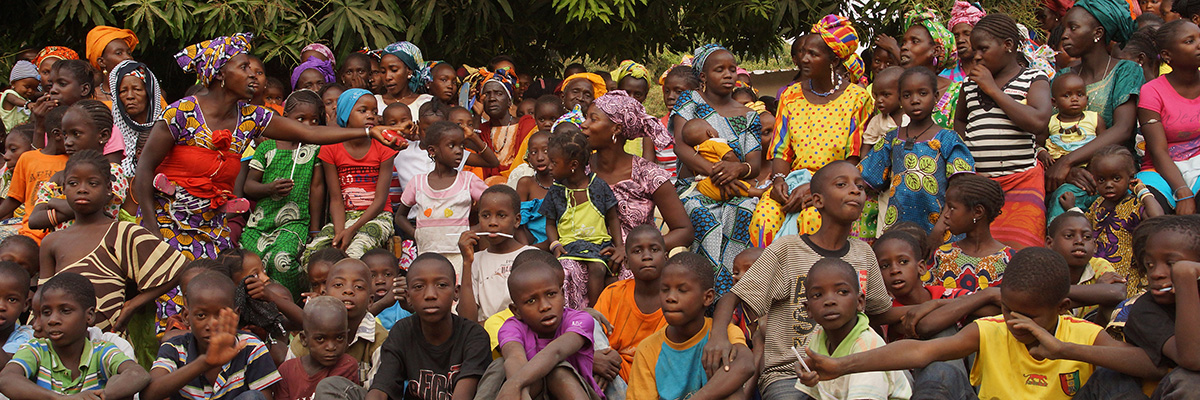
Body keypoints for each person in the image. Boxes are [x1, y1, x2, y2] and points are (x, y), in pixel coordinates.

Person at [135, 34, 406, 261]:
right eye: (244, 68)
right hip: (166, 223)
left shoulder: (250, 116)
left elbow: (309, 132)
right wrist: (153, 232)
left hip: (211, 226)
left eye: (254, 70)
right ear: (220, 74)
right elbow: (144, 169)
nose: (253, 75)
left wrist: (370, 131)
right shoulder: (182, 112)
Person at [799, 247, 1166, 400]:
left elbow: (1151, 366)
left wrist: (1062, 349)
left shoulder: (1081, 334)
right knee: (940, 367)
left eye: (1029, 316)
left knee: (1115, 377)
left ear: (1063, 308)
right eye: (1008, 310)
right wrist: (841, 366)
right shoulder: (992, 329)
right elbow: (919, 351)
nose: (1015, 322)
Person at [704, 161, 893, 400]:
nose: (855, 191)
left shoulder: (863, 253)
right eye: (842, 184)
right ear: (818, 200)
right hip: (788, 373)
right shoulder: (788, 250)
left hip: (847, 369)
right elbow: (734, 296)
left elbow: (879, 312)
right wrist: (718, 336)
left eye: (860, 186)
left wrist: (926, 308)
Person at [752, 15, 869, 247]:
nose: (804, 59)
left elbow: (853, 157)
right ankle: (768, 271)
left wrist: (816, 187)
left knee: (813, 220)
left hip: (836, 186)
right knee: (764, 218)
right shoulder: (790, 95)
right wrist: (779, 181)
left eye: (813, 54)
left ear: (834, 60)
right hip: (792, 181)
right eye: (803, 51)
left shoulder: (857, 98)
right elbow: (781, 148)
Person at [39, 149, 186, 333]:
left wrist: (133, 305)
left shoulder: (122, 232)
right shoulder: (52, 241)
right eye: (73, 183)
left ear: (109, 188)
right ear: (64, 189)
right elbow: (42, 295)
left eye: (92, 183)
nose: (82, 189)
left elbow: (180, 268)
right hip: (60, 340)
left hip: (109, 340)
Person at [956, 14, 1054, 249]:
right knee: (980, 252)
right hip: (980, 188)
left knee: (1022, 253)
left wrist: (993, 90)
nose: (976, 56)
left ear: (1008, 45)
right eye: (974, 50)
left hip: (1022, 183)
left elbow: (1039, 121)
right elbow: (960, 120)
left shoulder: (1034, 78)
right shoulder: (970, 85)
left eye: (983, 49)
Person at [671, 44, 762, 290]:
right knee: (703, 218)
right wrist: (716, 172)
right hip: (695, 186)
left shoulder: (749, 116)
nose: (728, 74)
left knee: (745, 211)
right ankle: (704, 290)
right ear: (703, 76)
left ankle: (736, 291)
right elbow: (681, 147)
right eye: (719, 70)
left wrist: (738, 170)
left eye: (732, 69)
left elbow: (754, 163)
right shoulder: (690, 101)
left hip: (735, 187)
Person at [1047, 0, 1144, 222]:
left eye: (1073, 28)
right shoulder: (1063, 76)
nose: (1064, 35)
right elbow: (1053, 130)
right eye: (1064, 28)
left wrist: (1067, 161)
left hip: (1114, 174)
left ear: (1098, 33)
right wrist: (1068, 169)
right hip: (1073, 176)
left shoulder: (1125, 71)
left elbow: (1123, 128)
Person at [356, 253, 490, 400]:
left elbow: (463, 395)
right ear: (408, 296)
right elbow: (382, 387)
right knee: (341, 386)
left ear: (455, 292)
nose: (430, 295)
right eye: (419, 287)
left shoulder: (474, 336)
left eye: (441, 285)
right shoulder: (402, 332)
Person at [860, 66, 975, 234]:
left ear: (936, 96)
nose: (915, 100)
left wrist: (942, 226)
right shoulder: (891, 138)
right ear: (900, 99)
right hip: (898, 229)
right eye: (907, 95)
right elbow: (868, 174)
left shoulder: (948, 138)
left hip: (939, 228)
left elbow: (960, 186)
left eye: (922, 93)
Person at [0, 272, 149, 399]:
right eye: (46, 312)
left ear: (89, 316)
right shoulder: (36, 350)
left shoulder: (101, 351)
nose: (52, 320)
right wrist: (61, 399)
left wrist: (104, 395)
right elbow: (6, 379)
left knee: (118, 381)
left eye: (65, 311)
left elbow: (138, 374)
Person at [627, 252, 754, 400]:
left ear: (707, 297)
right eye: (665, 290)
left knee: (732, 388)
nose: (670, 298)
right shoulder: (648, 349)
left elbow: (746, 364)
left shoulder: (723, 334)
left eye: (682, 290)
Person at [584, 90, 693, 255]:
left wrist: (637, 250)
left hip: (636, 263)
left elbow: (684, 231)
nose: (584, 124)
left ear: (616, 129)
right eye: (586, 117)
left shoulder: (647, 174)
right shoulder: (579, 170)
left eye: (593, 119)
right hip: (587, 257)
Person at [144, 271, 282, 400]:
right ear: (186, 316)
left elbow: (262, 397)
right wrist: (204, 363)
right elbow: (148, 394)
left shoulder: (250, 347)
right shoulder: (175, 348)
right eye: (201, 315)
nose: (211, 325)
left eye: (220, 315)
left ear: (236, 315)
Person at [241, 90, 326, 297]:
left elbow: (316, 189)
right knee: (248, 260)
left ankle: (288, 303)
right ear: (285, 118)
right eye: (300, 119)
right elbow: (249, 186)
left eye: (314, 120)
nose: (307, 125)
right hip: (260, 223)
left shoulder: (315, 149)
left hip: (294, 222)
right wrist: (269, 188)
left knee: (282, 260)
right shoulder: (267, 147)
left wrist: (314, 229)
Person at [484, 258, 603, 400]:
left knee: (558, 370)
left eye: (551, 294)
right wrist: (517, 389)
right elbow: (514, 357)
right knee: (499, 366)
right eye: (531, 301)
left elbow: (556, 352)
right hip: (533, 392)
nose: (545, 306)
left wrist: (515, 384)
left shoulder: (580, 320)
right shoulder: (511, 327)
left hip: (577, 392)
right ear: (516, 311)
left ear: (563, 294)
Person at [796, 258, 913, 400]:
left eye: (842, 292)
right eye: (818, 295)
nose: (829, 301)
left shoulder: (867, 345)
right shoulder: (818, 338)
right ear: (808, 309)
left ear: (859, 302)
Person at [302, 89, 398, 260]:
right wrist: (340, 233)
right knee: (311, 255)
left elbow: (380, 201)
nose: (370, 116)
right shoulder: (330, 149)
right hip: (344, 217)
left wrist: (352, 230)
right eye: (363, 110)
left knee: (355, 252)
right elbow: (336, 199)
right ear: (346, 114)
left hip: (378, 216)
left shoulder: (384, 148)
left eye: (374, 112)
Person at [541, 129, 622, 307]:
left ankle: (595, 311)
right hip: (568, 247)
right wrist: (555, 244)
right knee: (564, 271)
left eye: (554, 162)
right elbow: (550, 223)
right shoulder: (556, 191)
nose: (549, 167)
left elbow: (612, 218)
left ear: (573, 164)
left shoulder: (598, 186)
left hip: (598, 245)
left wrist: (619, 246)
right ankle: (570, 313)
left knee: (598, 267)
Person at [396, 121, 488, 275]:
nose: (459, 151)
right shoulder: (418, 183)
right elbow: (400, 217)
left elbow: (493, 204)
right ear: (432, 151)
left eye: (461, 146)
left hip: (459, 255)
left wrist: (472, 230)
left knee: (457, 288)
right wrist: (417, 233)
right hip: (427, 255)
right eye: (452, 146)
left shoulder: (468, 180)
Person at [1069, 145, 1163, 296]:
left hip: (1125, 275)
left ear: (1130, 177)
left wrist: (1142, 191)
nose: (1109, 185)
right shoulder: (1097, 204)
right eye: (1101, 180)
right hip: (1097, 271)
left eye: (1116, 178)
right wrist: (1072, 208)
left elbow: (1157, 218)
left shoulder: (1135, 204)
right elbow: (1084, 225)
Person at [1123, 215, 1200, 397]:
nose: (1156, 273)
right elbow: (1193, 358)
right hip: (1141, 392)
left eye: (1171, 264)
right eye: (1150, 265)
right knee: (1191, 382)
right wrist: (1184, 277)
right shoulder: (1145, 310)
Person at [27, 100, 130, 234]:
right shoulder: (59, 176)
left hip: (98, 241)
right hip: (63, 244)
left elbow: (92, 206)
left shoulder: (112, 171)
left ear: (103, 136)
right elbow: (34, 220)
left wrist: (53, 203)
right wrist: (77, 210)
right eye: (65, 135)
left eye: (76, 134)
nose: (68, 142)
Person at [1137, 20, 1200, 216]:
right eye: (1189, 41)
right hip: (1160, 169)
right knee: (1152, 212)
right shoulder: (1152, 91)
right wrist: (1182, 190)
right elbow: (1158, 151)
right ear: (1166, 55)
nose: (1199, 44)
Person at [288, 259, 387, 384]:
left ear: (370, 300)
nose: (348, 291)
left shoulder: (379, 340)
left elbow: (379, 389)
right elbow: (289, 380)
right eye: (339, 285)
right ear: (325, 294)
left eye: (358, 287)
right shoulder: (309, 336)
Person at [593, 225, 668, 384]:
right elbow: (595, 337)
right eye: (637, 251)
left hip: (653, 382)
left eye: (654, 250)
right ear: (626, 262)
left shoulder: (675, 302)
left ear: (666, 258)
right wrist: (596, 360)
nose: (647, 256)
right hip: (612, 374)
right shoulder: (613, 294)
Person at [458, 185, 536, 322]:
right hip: (486, 333)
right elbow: (467, 320)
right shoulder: (474, 261)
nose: (492, 223)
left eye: (501, 215)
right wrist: (466, 262)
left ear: (517, 220)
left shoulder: (532, 257)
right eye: (485, 216)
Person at [928, 174, 1015, 292]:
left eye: (952, 208)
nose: (946, 215)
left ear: (977, 212)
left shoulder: (1009, 261)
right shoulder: (942, 255)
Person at [0, 105, 67, 242]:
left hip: (60, 232)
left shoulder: (75, 162)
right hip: (31, 232)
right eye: (72, 134)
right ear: (57, 134)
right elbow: (14, 198)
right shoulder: (28, 158)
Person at [1045, 211, 1127, 322]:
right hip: (1052, 332)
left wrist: (1057, 292)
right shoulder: (1043, 269)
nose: (1079, 241)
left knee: (1112, 304)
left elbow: (1118, 292)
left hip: (1096, 329)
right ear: (1050, 243)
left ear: (1095, 246)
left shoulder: (1098, 265)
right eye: (1069, 236)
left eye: (1087, 237)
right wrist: (1098, 291)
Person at [274, 296, 360, 400]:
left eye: (339, 337)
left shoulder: (347, 365)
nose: (331, 347)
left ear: (347, 337)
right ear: (304, 339)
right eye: (320, 339)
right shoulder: (288, 370)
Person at [899, 4, 960, 129]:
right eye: (904, 42)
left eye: (915, 41)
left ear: (935, 51)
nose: (904, 47)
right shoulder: (893, 90)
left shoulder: (956, 94)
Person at [478, 69, 537, 185]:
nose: (492, 98)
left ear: (509, 101)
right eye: (487, 94)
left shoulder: (527, 126)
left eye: (498, 93)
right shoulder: (481, 130)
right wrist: (476, 116)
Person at [109, 60, 165, 179]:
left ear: (149, 93)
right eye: (123, 91)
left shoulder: (166, 129)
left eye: (137, 89)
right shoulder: (111, 134)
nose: (130, 96)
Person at [683, 119, 756, 201]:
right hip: (722, 180)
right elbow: (728, 155)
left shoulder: (697, 150)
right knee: (739, 186)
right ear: (710, 133)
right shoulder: (714, 144)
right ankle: (758, 192)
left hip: (705, 185)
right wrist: (736, 166)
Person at [1047, 72, 1105, 164]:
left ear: (1087, 99)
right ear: (1054, 102)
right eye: (1067, 95)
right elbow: (1038, 143)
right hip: (1059, 167)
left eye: (1080, 95)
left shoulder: (1095, 119)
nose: (1075, 99)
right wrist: (1042, 153)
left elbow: (1104, 144)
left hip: (1091, 165)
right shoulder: (1050, 122)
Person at [376, 41, 433, 118]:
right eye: (383, 71)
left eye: (394, 70)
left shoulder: (426, 103)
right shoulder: (373, 102)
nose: (387, 77)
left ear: (409, 71)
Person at [861, 67, 908, 156]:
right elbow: (867, 145)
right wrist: (864, 162)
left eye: (886, 95)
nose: (879, 100)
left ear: (903, 93)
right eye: (876, 95)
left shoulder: (913, 117)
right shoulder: (877, 121)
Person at [516, 130, 552, 246]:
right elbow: (518, 224)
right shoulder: (526, 184)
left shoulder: (564, 183)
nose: (540, 157)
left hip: (559, 244)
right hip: (531, 245)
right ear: (528, 158)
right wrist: (526, 250)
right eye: (533, 152)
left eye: (546, 151)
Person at [361, 249, 411, 331]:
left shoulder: (404, 303)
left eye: (387, 274)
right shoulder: (360, 304)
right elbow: (357, 322)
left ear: (398, 278)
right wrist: (384, 303)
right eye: (372, 276)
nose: (380, 281)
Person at [946, 1, 987, 83]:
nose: (960, 40)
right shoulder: (945, 77)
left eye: (967, 34)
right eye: (956, 36)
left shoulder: (992, 71)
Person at [0, 261, 32, 365]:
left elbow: (7, 367)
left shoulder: (26, 336)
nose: (1, 307)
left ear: (25, 305)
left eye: (12, 300)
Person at [1, 61, 39, 130]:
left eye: (34, 88)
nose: (30, 91)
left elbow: (36, 95)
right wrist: (27, 104)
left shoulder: (25, 98)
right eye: (27, 87)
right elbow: (14, 100)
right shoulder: (9, 94)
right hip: (7, 132)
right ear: (13, 83)